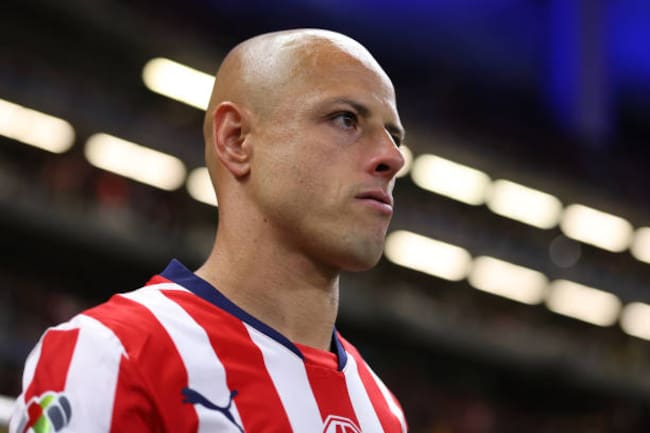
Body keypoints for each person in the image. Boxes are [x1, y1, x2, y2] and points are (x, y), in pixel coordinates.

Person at [10, 28, 407, 433]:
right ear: (236, 139)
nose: (393, 158)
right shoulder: (111, 355)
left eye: (394, 137)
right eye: (345, 120)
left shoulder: (384, 412)